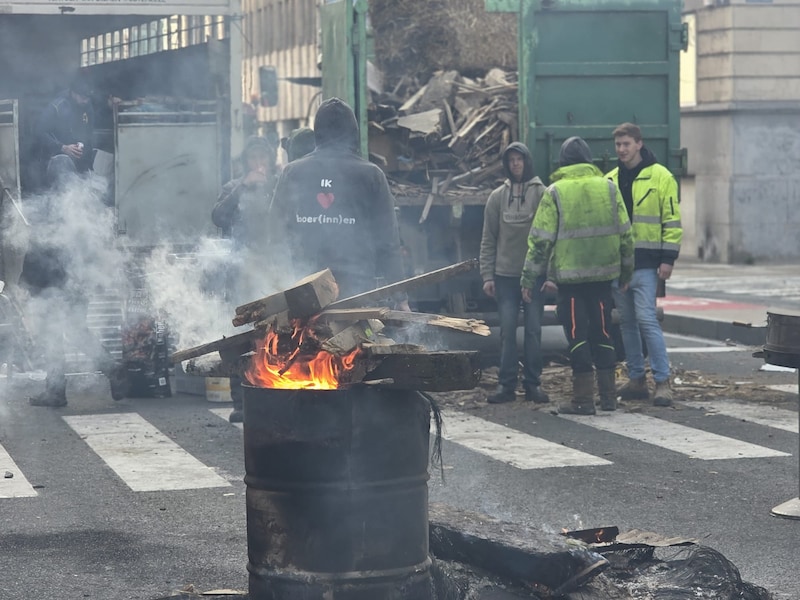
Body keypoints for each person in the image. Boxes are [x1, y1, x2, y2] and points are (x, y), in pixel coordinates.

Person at [521, 137, 633, 415]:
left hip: (570, 283)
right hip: (602, 279)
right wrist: (625, 273)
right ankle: (608, 397)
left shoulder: (555, 192)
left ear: (563, 162)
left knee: (577, 335)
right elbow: (626, 235)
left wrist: (528, 279)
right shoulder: (609, 187)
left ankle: (583, 400)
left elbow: (540, 241)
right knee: (603, 332)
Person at [269, 97, 409, 308]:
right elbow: (388, 242)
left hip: (303, 293)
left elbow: (274, 235)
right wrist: (401, 298)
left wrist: (277, 284)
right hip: (357, 295)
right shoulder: (372, 175)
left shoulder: (292, 173)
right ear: (353, 132)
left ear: (317, 132)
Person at [20, 184, 128, 407]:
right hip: (75, 286)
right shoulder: (78, 211)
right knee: (76, 333)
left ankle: (57, 390)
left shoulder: (46, 213)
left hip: (52, 287)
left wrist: (28, 282)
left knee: (53, 337)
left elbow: (36, 257)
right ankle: (110, 370)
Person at [606, 123, 682, 407]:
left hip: (648, 264)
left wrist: (668, 259)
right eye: (618, 145)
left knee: (647, 320)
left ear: (639, 144)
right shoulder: (610, 180)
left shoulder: (661, 176)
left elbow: (671, 220)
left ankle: (662, 381)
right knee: (626, 323)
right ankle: (637, 378)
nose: (621, 149)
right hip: (619, 265)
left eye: (626, 144)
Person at [212, 135, 279, 423]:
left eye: (263, 157)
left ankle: (270, 392)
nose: (258, 163)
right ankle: (239, 400)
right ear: (245, 162)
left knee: (271, 333)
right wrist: (243, 188)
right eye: (253, 158)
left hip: (270, 267)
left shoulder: (277, 187)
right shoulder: (233, 187)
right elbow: (217, 217)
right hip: (239, 269)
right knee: (238, 336)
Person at [480, 142, 549, 404]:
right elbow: (488, 239)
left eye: (519, 159)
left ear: (527, 161)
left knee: (533, 331)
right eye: (511, 160)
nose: (515, 164)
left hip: (535, 276)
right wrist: (487, 275)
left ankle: (533, 384)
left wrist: (549, 274)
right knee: (507, 332)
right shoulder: (497, 197)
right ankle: (506, 385)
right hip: (505, 277)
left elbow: (549, 238)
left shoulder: (542, 194)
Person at [35, 71, 96, 188]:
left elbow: (89, 134)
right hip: (55, 163)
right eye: (83, 98)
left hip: (79, 164)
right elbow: (39, 132)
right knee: (57, 194)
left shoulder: (87, 107)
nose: (86, 101)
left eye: (88, 98)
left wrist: (89, 166)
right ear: (73, 93)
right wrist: (62, 147)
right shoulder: (57, 106)